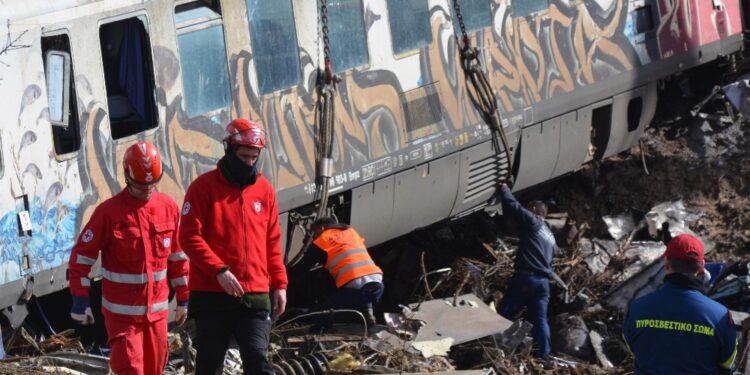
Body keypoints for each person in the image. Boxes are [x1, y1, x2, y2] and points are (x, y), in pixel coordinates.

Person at [68, 141, 189, 375]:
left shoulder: (168, 208)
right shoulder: (109, 213)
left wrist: (184, 298)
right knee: (131, 370)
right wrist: (80, 299)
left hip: (157, 317)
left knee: (155, 370)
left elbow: (177, 257)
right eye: (141, 185)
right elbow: (81, 258)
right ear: (127, 177)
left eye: (152, 184)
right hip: (123, 320)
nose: (147, 190)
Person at [179, 118, 287, 375]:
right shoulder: (202, 189)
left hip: (255, 295)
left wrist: (280, 284)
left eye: (254, 157)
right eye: (244, 156)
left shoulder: (265, 191)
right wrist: (219, 270)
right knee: (209, 365)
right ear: (229, 151)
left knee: (258, 361)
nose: (249, 162)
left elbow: (272, 241)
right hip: (211, 297)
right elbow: (189, 237)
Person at [623, 234, 737, 374]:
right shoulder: (721, 316)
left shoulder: (637, 308)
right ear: (701, 266)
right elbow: (727, 362)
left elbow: (632, 350)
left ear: (666, 264)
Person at [497, 183, 556, 359]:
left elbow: (513, 206)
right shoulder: (551, 237)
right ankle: (545, 357)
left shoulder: (534, 222)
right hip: (543, 284)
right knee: (540, 320)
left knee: (505, 312)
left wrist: (504, 188)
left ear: (534, 210)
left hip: (526, 278)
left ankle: (492, 345)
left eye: (529, 209)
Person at [295, 217, 384, 330]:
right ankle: (368, 316)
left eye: (314, 232)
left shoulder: (322, 240)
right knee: (363, 290)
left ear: (322, 228)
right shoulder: (351, 232)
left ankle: (316, 337)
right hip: (378, 283)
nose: (313, 237)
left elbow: (302, 268)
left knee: (322, 312)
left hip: (357, 289)